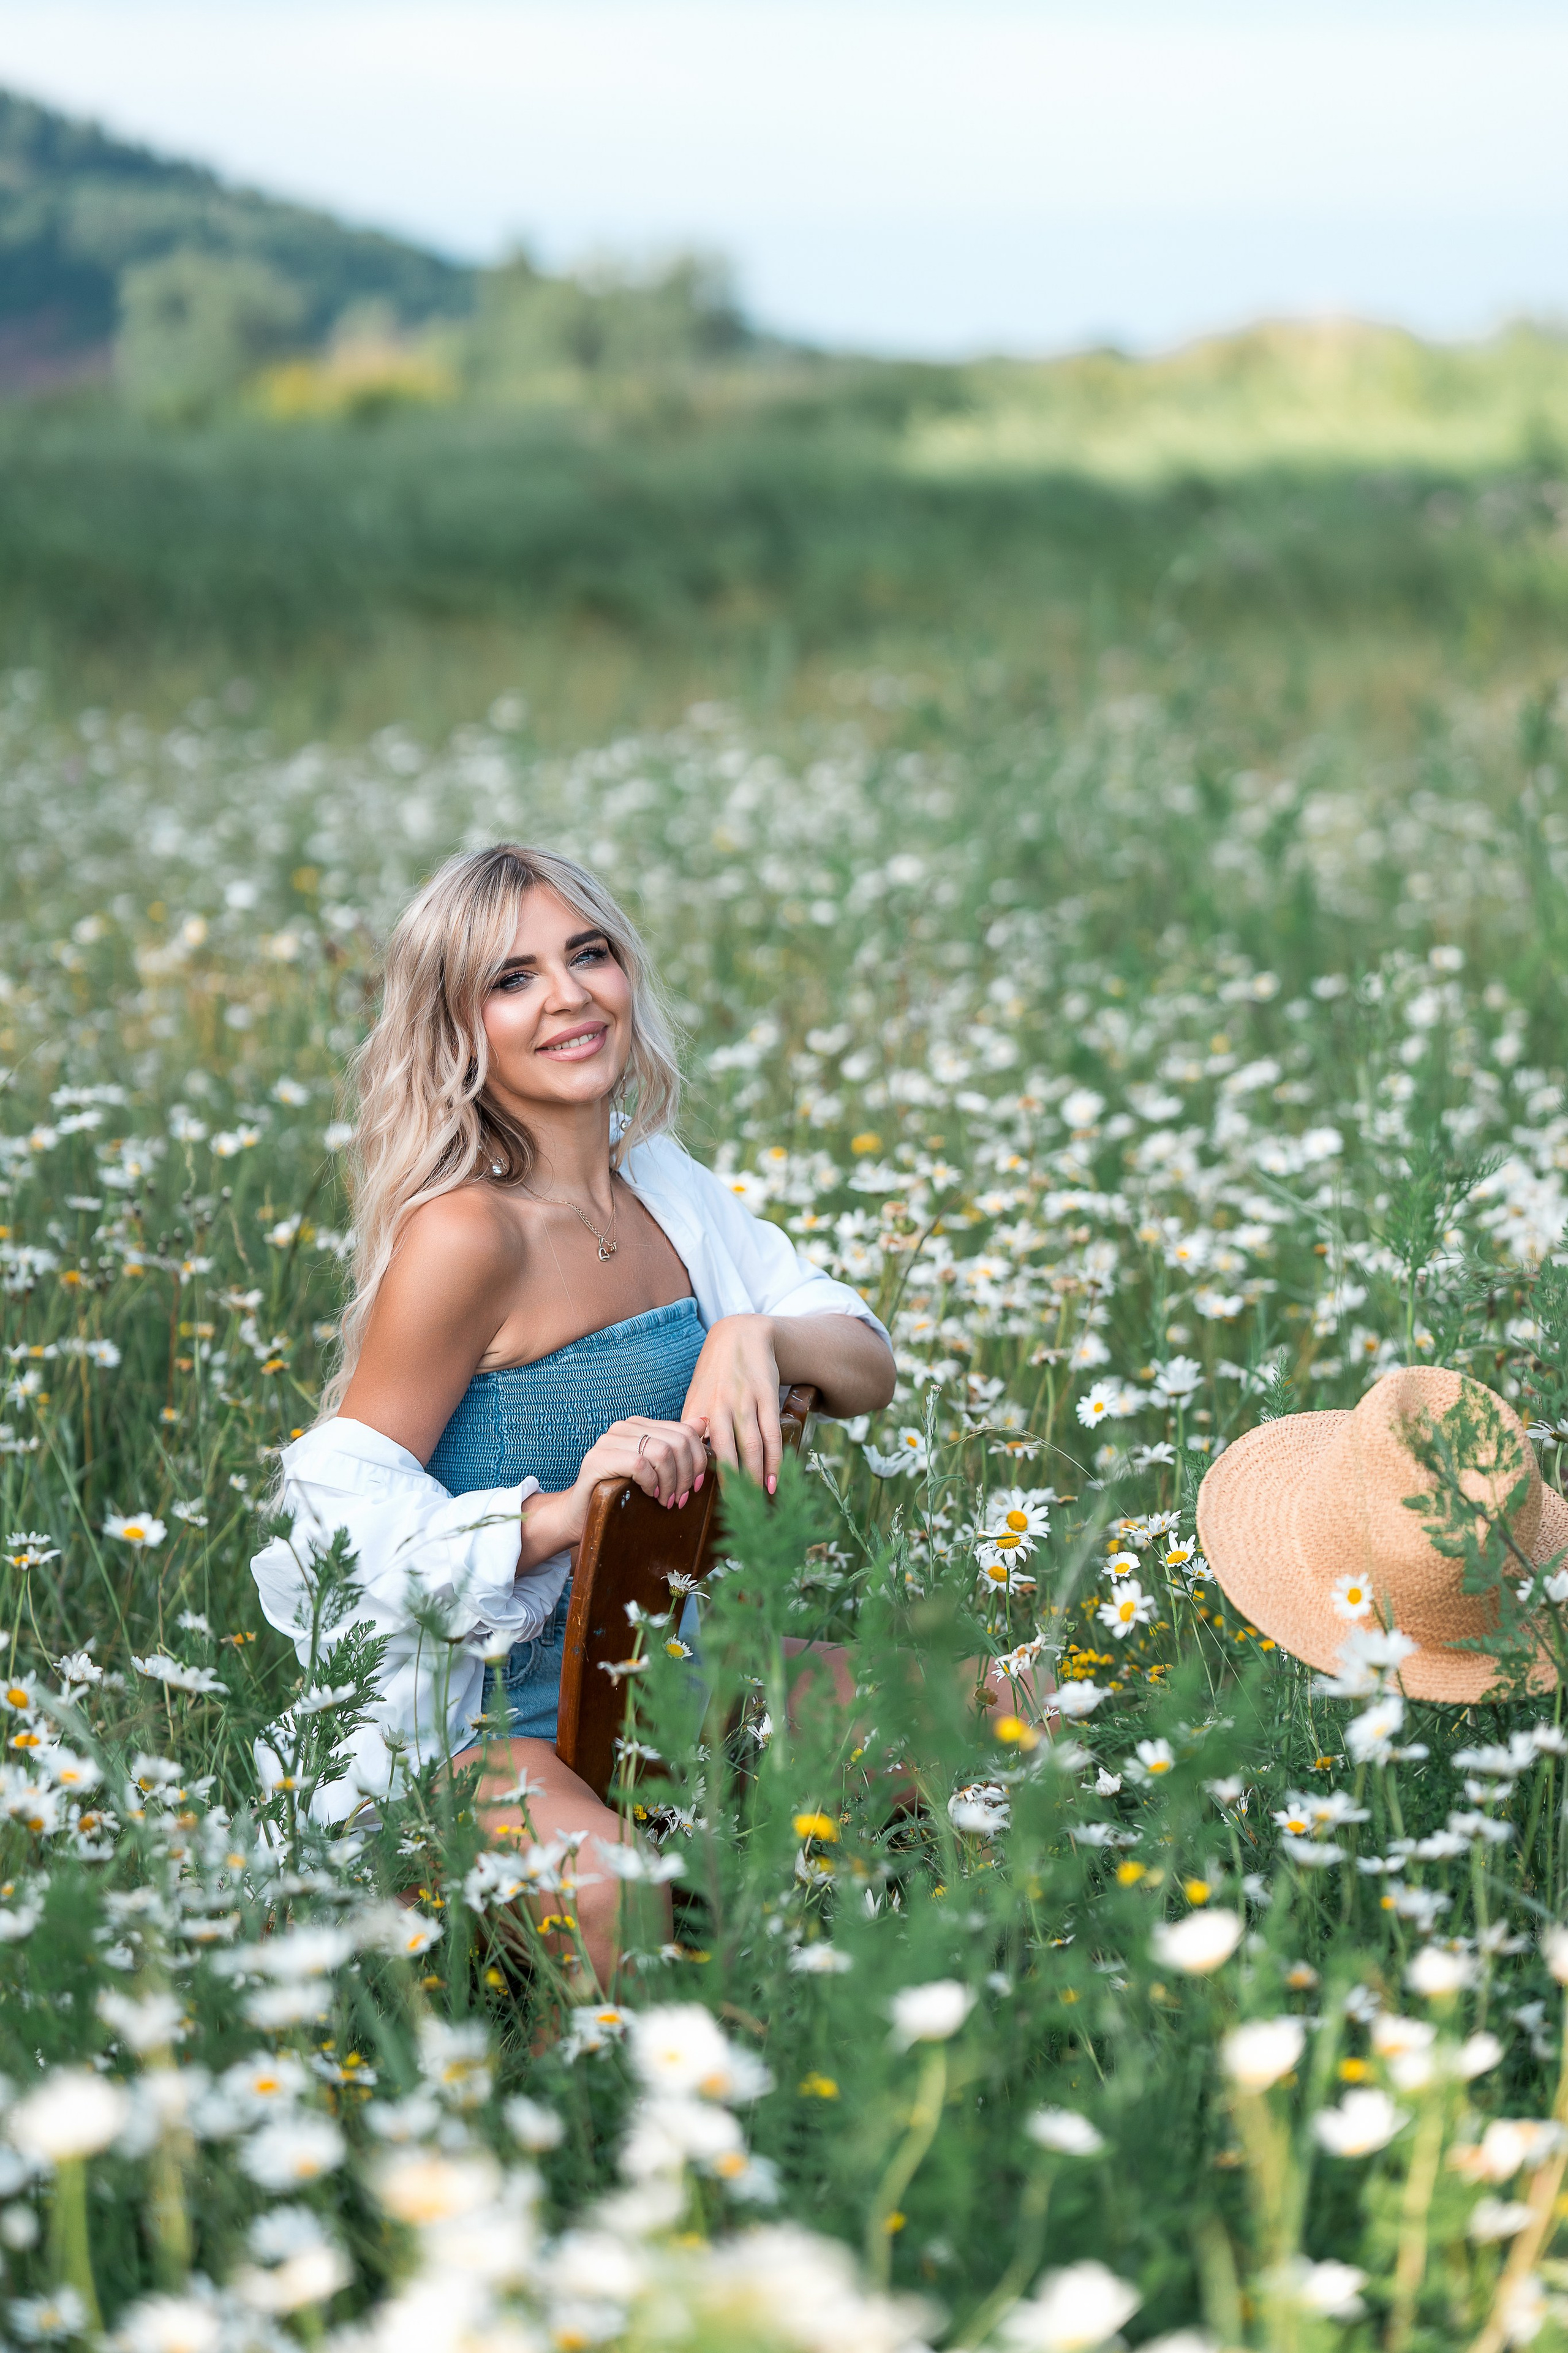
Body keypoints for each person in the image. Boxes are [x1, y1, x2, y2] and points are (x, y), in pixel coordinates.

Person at [251, 844, 896, 1983]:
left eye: (586, 954)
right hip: (486, 1732)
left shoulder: (665, 1185)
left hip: (681, 1678)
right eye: (513, 979)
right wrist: (557, 1514)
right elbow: (336, 1528)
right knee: (625, 1912)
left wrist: (758, 1335)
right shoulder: (466, 1237)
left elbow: (865, 1362)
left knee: (1016, 1714)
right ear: (459, 1031)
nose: (568, 996)